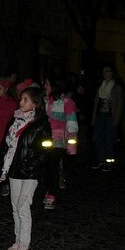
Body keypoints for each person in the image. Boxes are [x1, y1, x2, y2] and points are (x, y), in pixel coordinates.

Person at [0, 87, 52, 250]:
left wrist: (33, 164)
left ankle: (24, 247)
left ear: (35, 103)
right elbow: (6, 145)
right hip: (13, 169)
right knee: (15, 207)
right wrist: (0, 169)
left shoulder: (41, 123)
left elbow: (45, 148)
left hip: (30, 172)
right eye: (21, 99)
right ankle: (18, 241)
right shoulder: (15, 120)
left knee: (23, 207)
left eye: (25, 100)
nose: (21, 102)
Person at [43, 77, 78, 209]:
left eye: (47, 84)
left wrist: (71, 146)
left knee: (52, 166)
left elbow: (72, 124)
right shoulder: (45, 101)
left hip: (58, 140)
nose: (45, 87)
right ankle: (48, 190)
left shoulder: (67, 103)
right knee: (46, 167)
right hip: (44, 138)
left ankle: (51, 194)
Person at [91, 66, 123, 171]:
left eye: (108, 71)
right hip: (100, 115)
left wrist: (116, 120)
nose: (105, 73)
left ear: (112, 72)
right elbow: (96, 102)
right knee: (96, 138)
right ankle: (101, 160)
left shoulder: (116, 87)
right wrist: (93, 118)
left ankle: (109, 162)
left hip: (110, 116)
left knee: (109, 139)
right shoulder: (100, 85)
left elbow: (119, 104)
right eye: (104, 71)